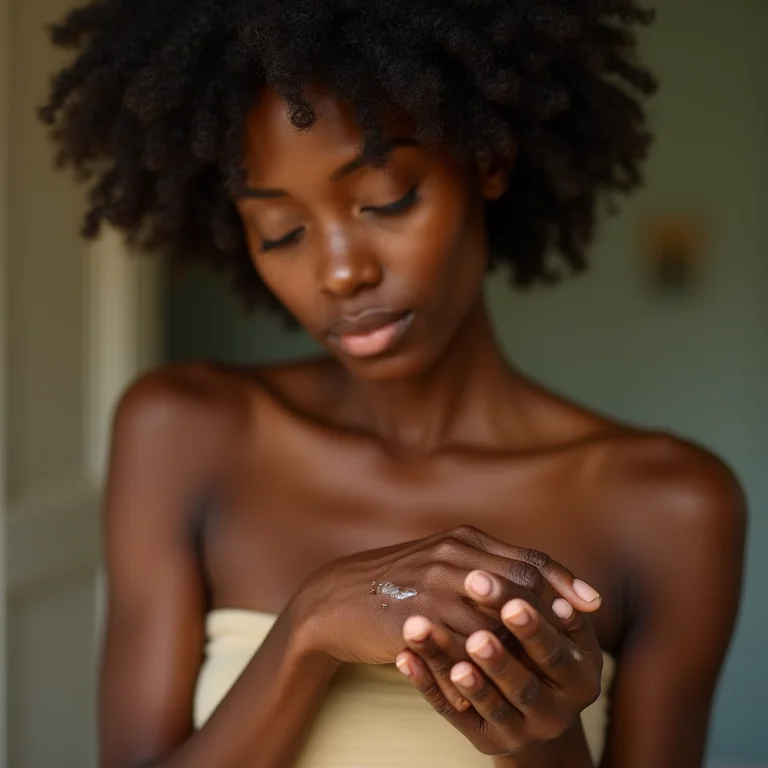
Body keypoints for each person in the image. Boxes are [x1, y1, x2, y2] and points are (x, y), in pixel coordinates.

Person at [41, 1, 746, 766]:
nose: (341, 271)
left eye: (386, 200)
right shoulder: (184, 430)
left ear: (488, 161)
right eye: (280, 232)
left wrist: (539, 728)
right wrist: (311, 624)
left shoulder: (669, 503)